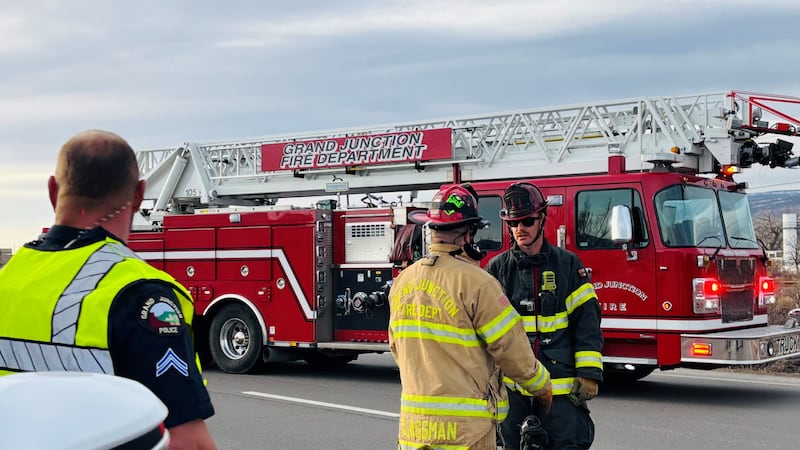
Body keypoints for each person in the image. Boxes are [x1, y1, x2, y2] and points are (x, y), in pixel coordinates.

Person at [0, 130, 218, 450]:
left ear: (52, 190)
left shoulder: (8, 278)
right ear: (139, 194)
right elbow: (186, 443)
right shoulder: (140, 294)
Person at [388, 184, 552, 450]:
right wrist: (541, 386)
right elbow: (512, 351)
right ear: (469, 233)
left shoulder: (403, 282)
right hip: (466, 434)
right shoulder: (478, 283)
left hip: (413, 432)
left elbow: (397, 348)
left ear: (432, 230)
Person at [486, 182, 603, 450]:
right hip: (513, 392)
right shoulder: (497, 270)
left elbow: (587, 323)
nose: (520, 229)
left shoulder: (568, 265)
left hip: (560, 390)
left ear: (542, 219)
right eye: (513, 223)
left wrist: (589, 373)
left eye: (527, 221)